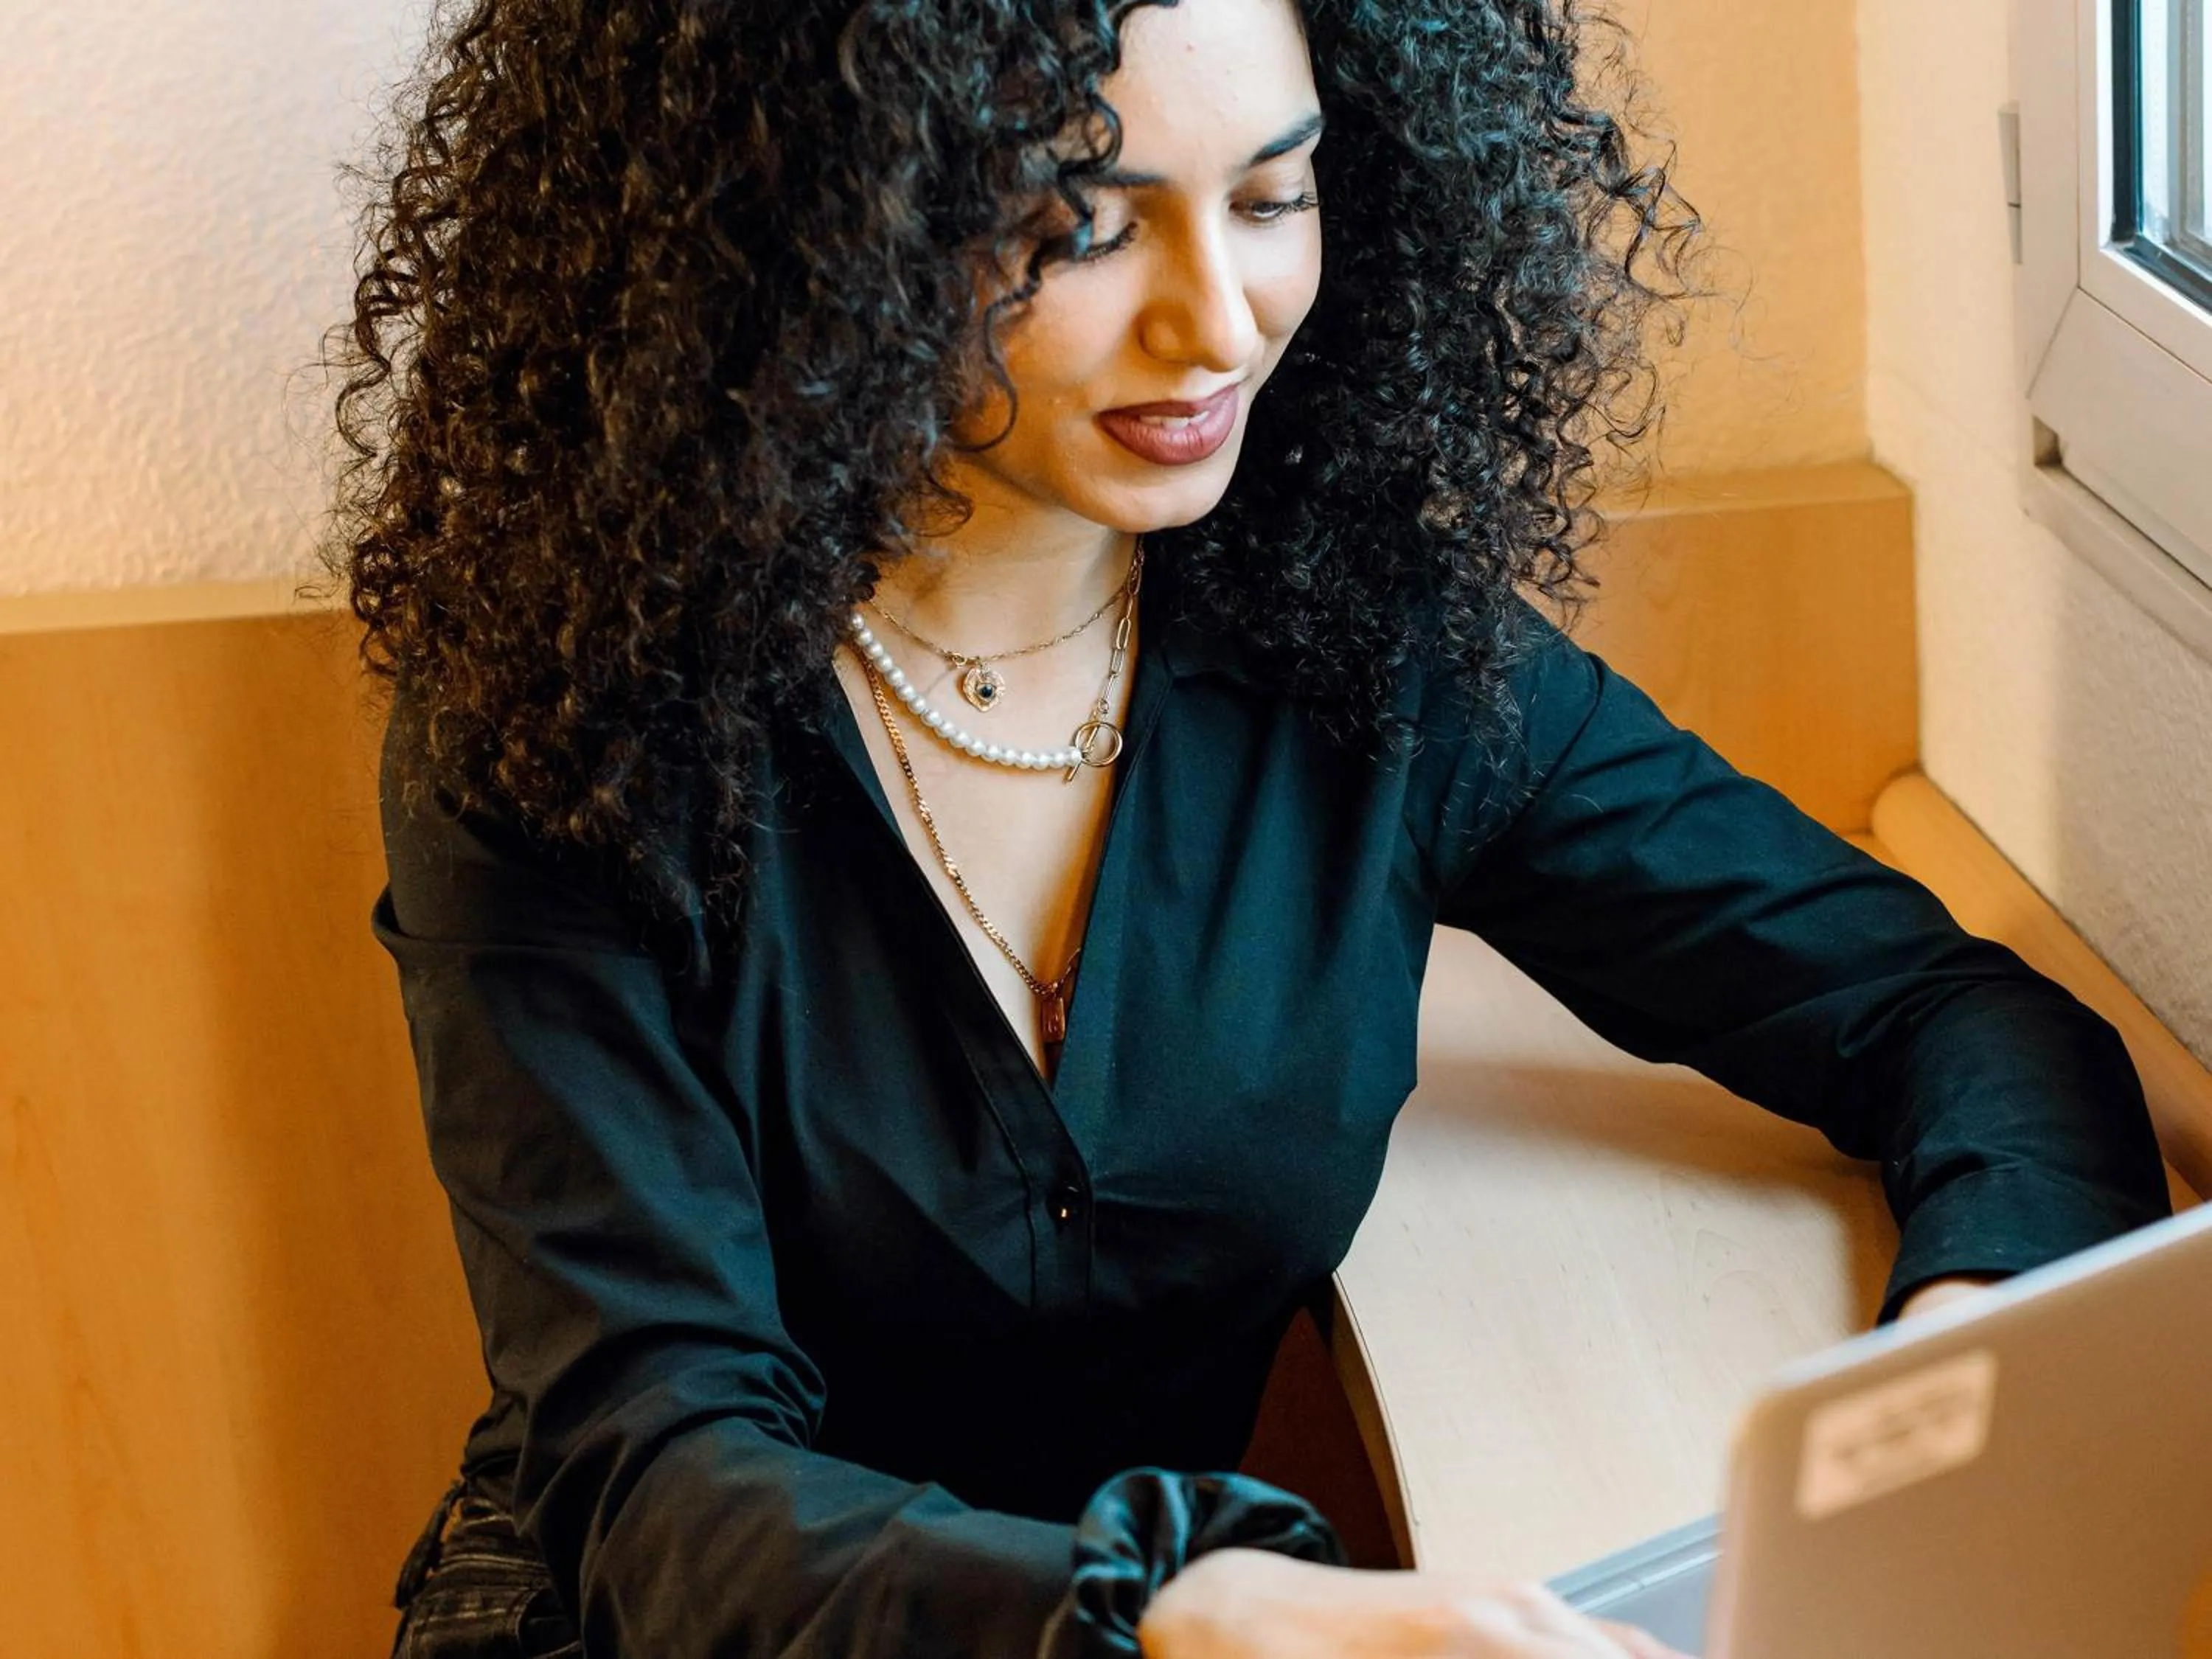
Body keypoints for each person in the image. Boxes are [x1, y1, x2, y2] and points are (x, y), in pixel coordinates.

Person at [325, 0, 2174, 1654]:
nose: (1218, 321)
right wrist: (1166, 1608)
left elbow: (1949, 1016)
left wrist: (1956, 1374)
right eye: (1079, 225)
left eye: (1277, 197)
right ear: (819, 234)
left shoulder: (1381, 652)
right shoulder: (564, 735)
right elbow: (661, 1488)